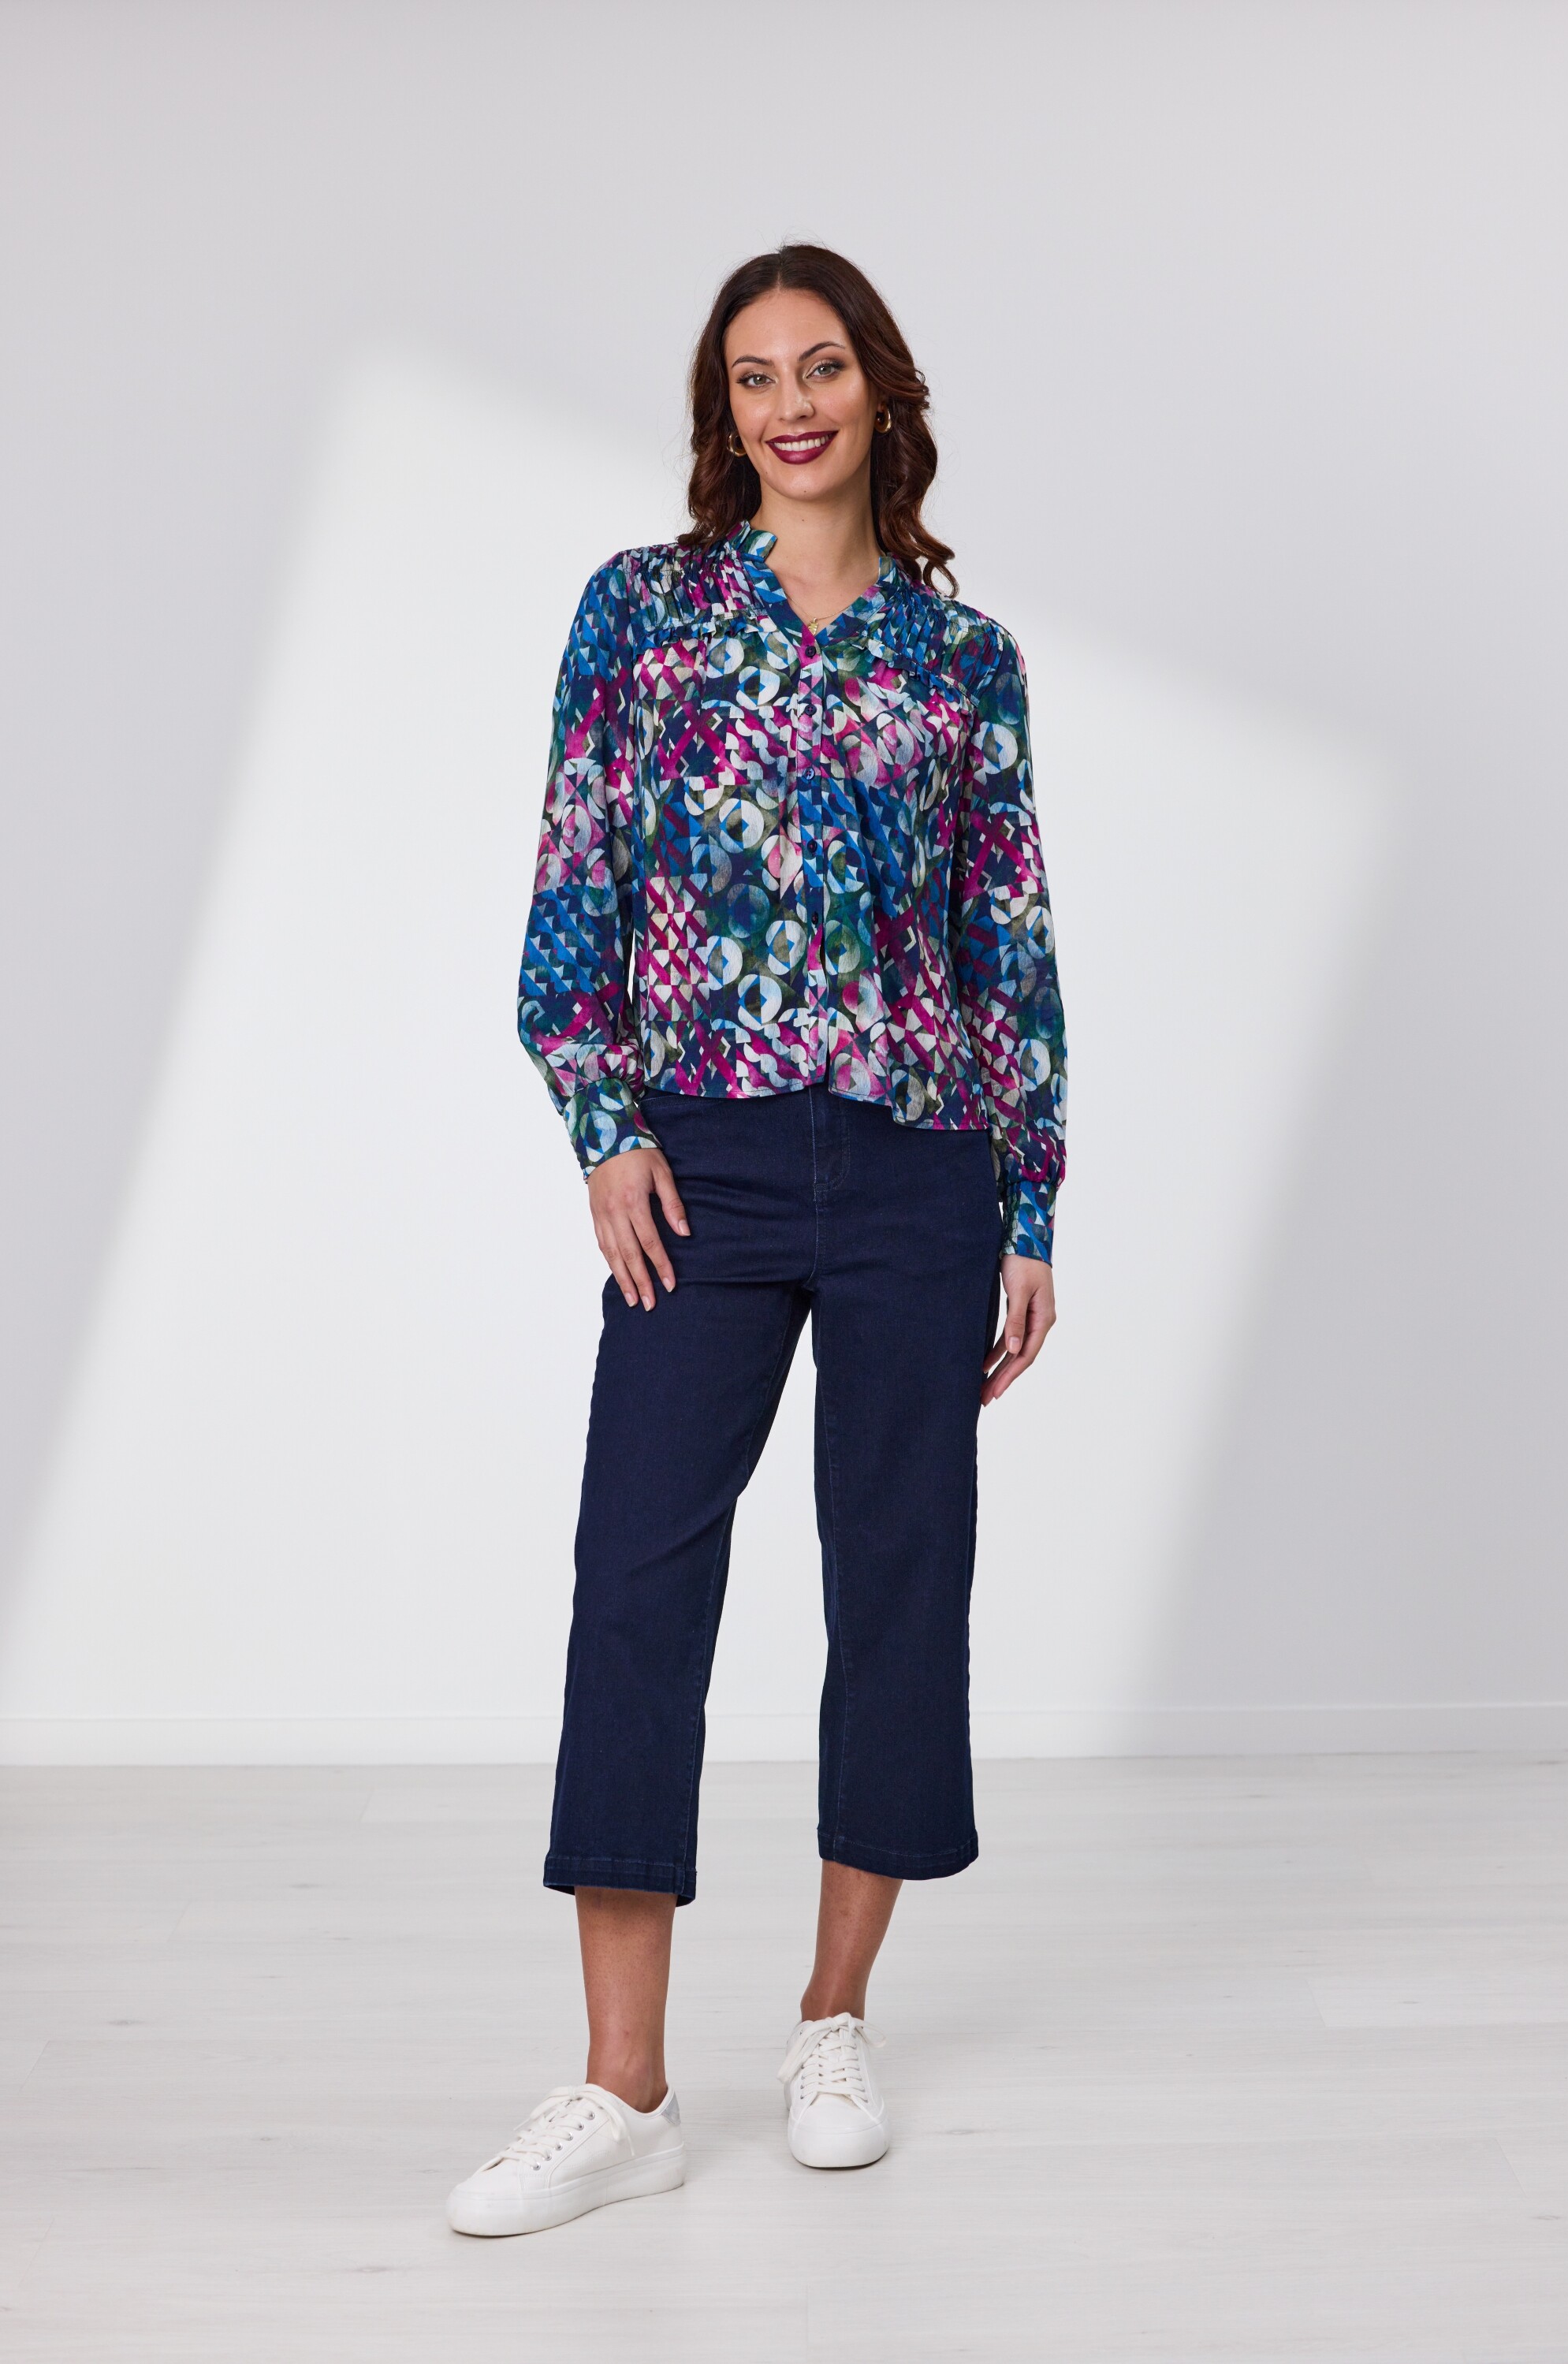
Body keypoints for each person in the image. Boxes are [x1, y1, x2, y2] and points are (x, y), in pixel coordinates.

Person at [448, 244, 1067, 2238]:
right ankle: (622, 2087)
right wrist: (602, 1126)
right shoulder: (639, 614)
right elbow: (572, 887)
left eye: (820, 368)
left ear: (879, 389)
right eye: (751, 376)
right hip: (697, 1164)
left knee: (897, 1578)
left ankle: (830, 2017)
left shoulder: (962, 660)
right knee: (637, 1577)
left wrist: (1029, 1203)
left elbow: (1006, 942)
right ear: (722, 412)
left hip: (916, 1166)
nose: (790, 405)